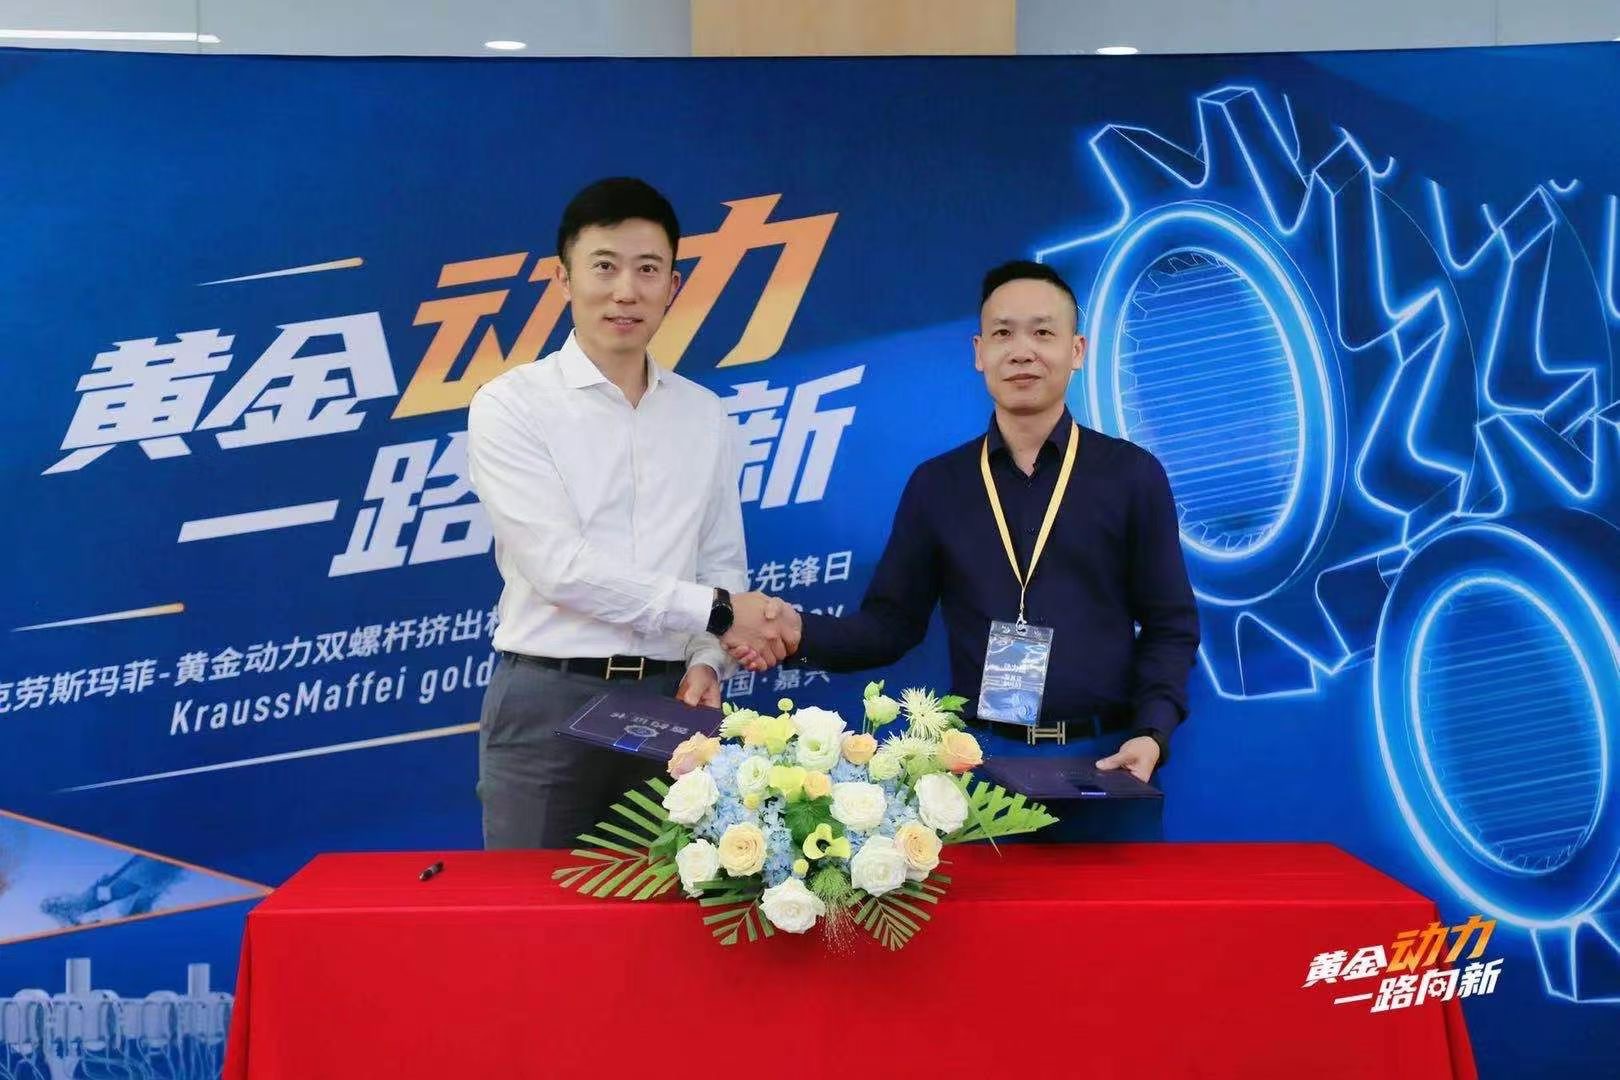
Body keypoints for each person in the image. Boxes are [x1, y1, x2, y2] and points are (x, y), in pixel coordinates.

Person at [735, 260, 1199, 782]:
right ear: (979, 353)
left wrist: (1152, 731)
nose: (1021, 351)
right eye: (1003, 333)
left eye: (1043, 333)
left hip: (1110, 758)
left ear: (1077, 351)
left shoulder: (1131, 474)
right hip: (979, 763)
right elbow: (890, 626)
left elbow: (1171, 624)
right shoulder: (938, 484)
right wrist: (796, 632)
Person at [467, 177, 791, 849]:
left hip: (672, 703)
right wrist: (719, 613)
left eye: (647, 270)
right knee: (531, 909)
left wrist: (708, 660)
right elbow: (560, 568)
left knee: (673, 906)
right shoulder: (511, 405)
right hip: (548, 700)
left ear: (673, 285)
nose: (625, 291)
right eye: (604, 267)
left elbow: (719, 558)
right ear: (563, 278)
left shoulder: (704, 414)